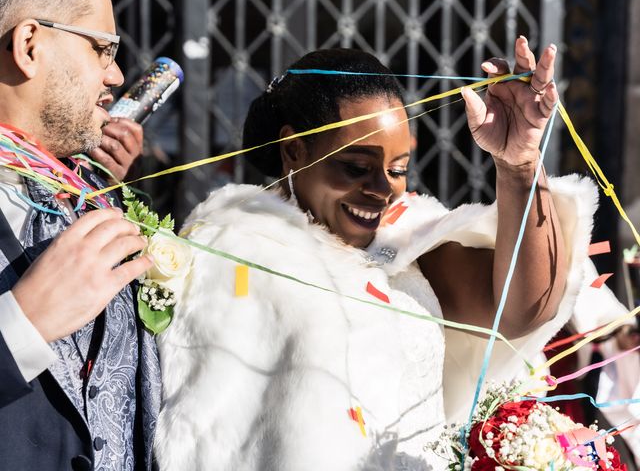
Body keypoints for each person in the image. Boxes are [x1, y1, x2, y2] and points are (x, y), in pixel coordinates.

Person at [155, 42, 598, 470]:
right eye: (356, 168)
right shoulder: (236, 252)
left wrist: (518, 164)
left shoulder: (407, 235)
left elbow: (523, 311)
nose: (382, 190)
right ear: (295, 150)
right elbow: (214, 433)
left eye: (398, 169)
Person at [0, 0, 160, 470]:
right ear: (30, 45)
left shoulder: (91, 187)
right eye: (102, 49)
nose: (115, 76)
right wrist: (22, 323)